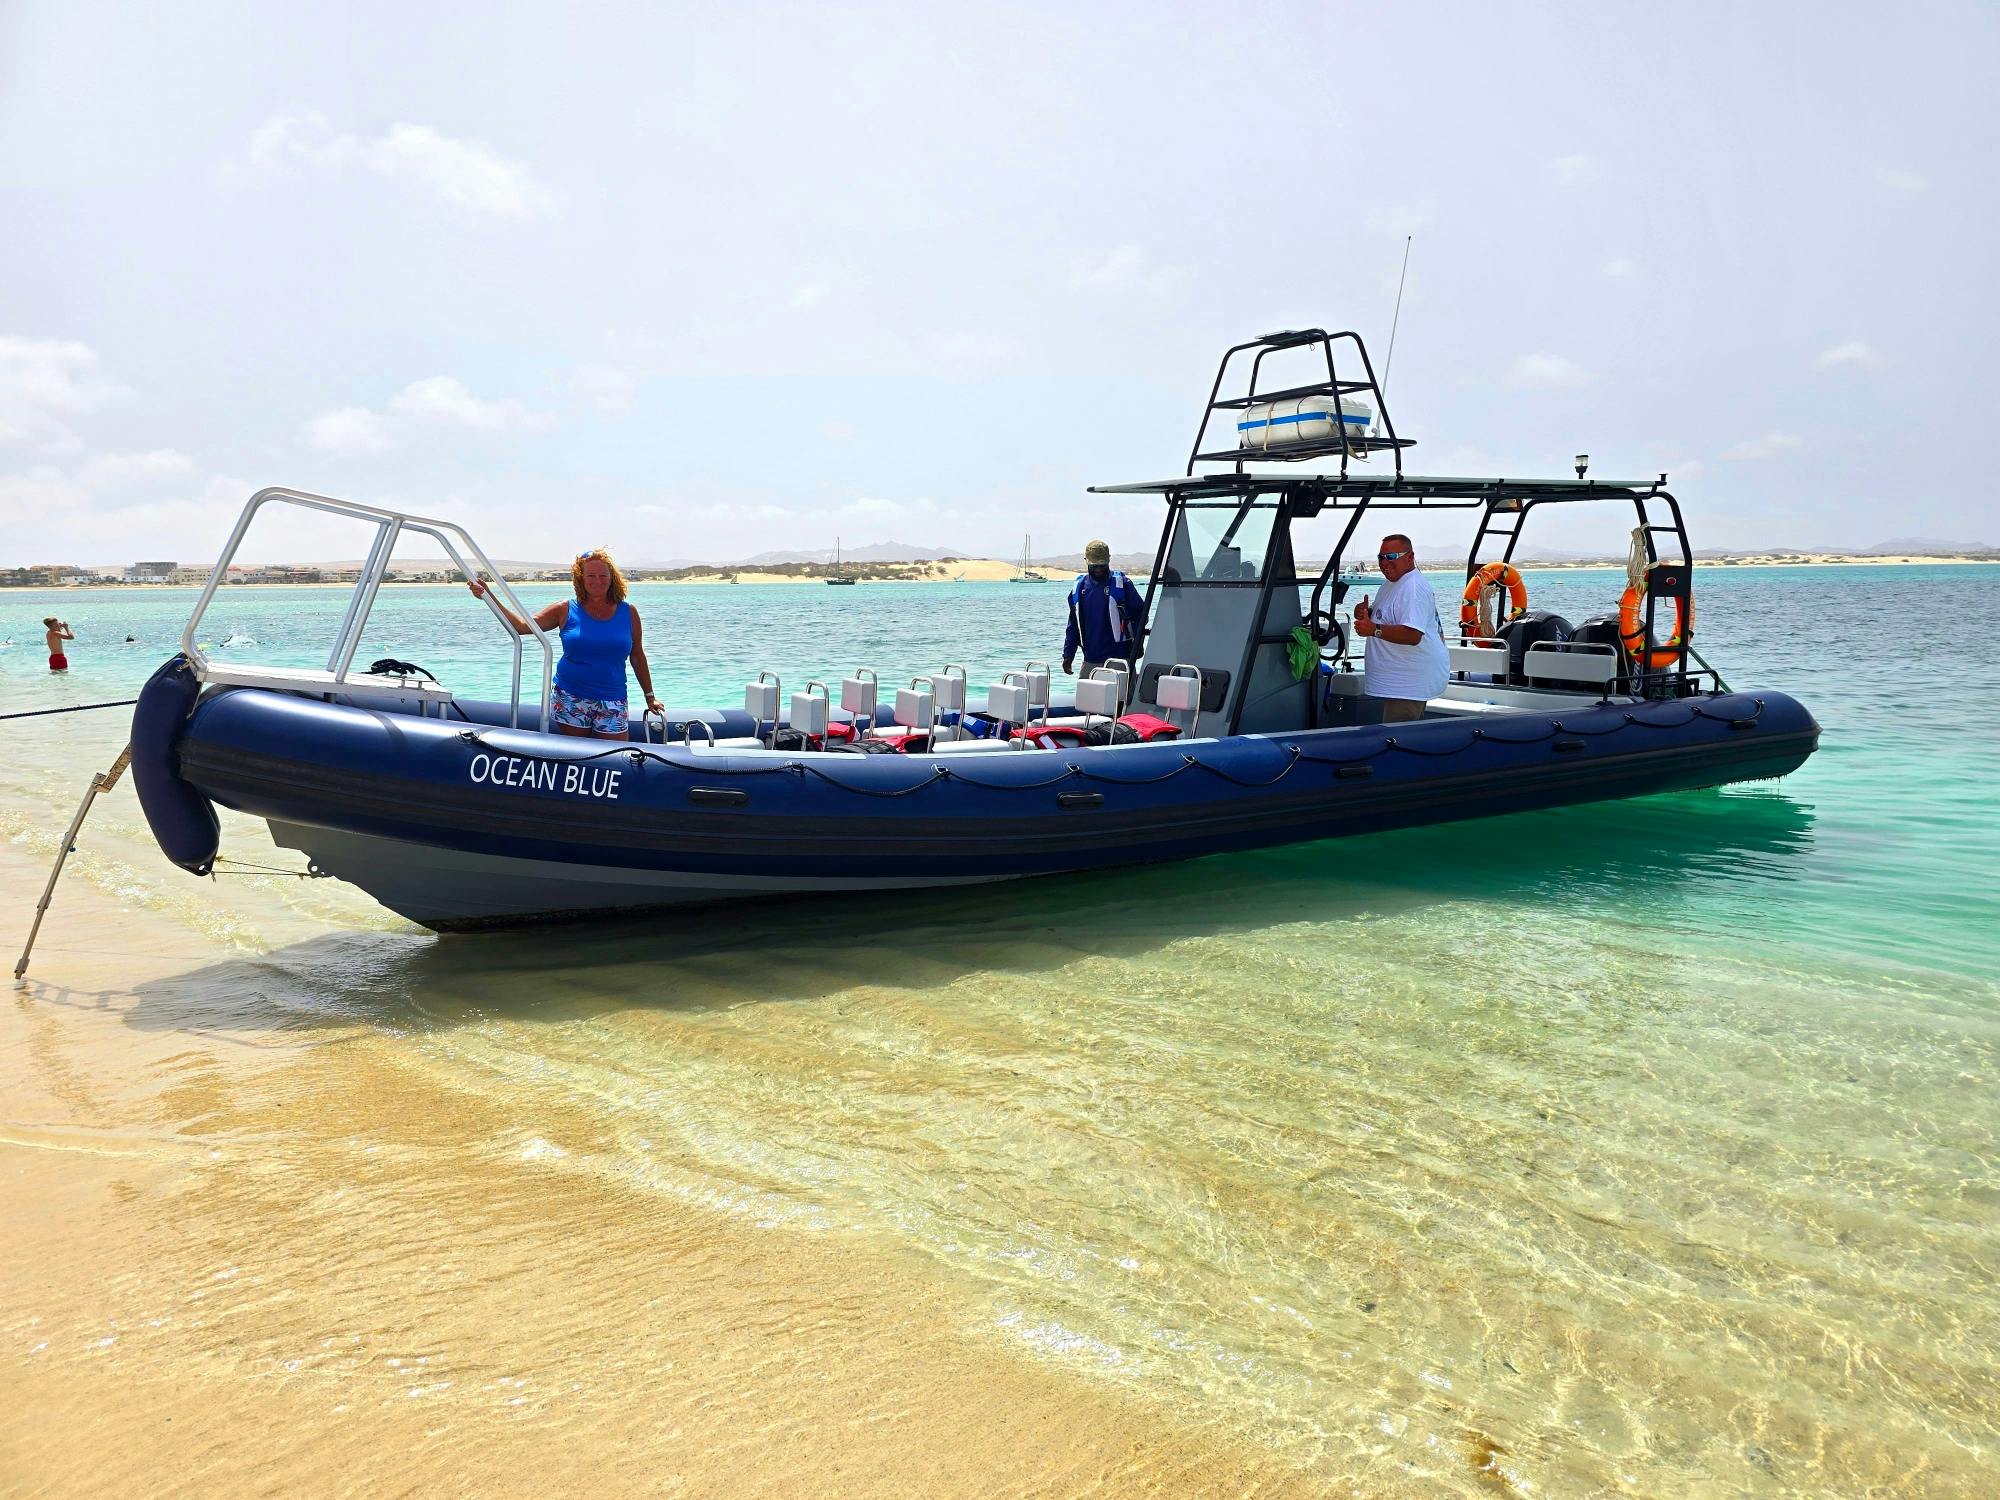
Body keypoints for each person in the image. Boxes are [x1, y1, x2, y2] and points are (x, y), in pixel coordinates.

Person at [468, 548, 664, 739]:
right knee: (576, 759)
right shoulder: (565, 609)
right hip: (571, 696)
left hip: (613, 698)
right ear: (581, 579)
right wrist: (488, 596)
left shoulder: (629, 612)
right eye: (591, 576)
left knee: (616, 760)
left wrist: (649, 696)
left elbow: (637, 656)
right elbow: (522, 626)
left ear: (612, 577)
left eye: (603, 575)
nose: (598, 581)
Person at [1352, 534, 1449, 723]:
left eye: (1392, 556)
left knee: (1400, 742)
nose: (1385, 562)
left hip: (1407, 686)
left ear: (1410, 557)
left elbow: (1413, 635)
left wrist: (1373, 630)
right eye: (1381, 557)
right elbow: (1390, 614)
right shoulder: (1392, 583)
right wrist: (1367, 612)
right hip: (1399, 684)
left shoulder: (1413, 587)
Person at [1061, 540, 1147, 679]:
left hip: (1119, 660)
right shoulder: (1079, 588)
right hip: (1090, 660)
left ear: (1108, 560)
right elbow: (1073, 625)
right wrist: (1068, 655)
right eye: (1094, 565)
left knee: (1122, 700)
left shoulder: (1123, 584)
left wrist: (1138, 646)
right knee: (1087, 700)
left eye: (1102, 564)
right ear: (1087, 562)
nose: (1099, 569)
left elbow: (1141, 616)